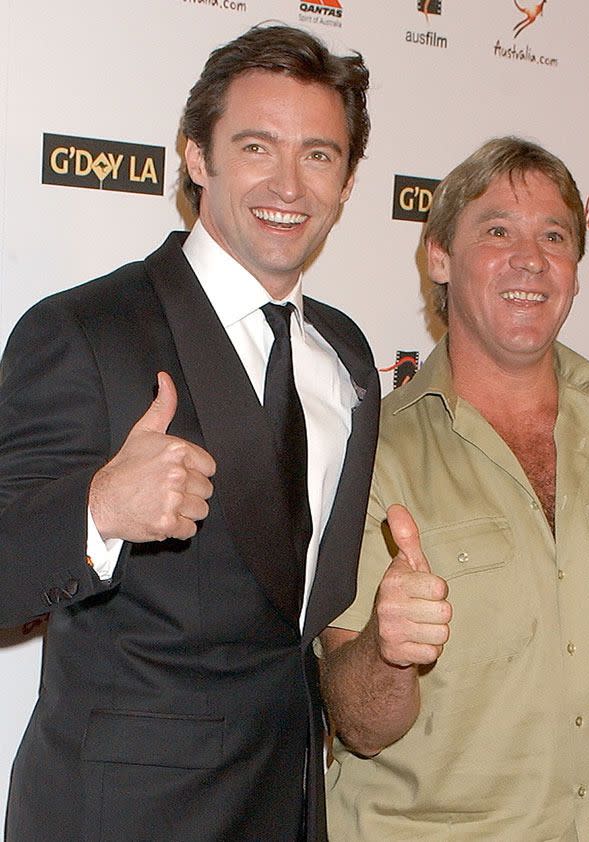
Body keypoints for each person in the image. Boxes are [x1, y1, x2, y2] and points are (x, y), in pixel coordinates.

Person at [0, 24, 379, 842]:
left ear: (347, 183)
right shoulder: (86, 329)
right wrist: (97, 508)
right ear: (197, 158)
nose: (289, 183)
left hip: (288, 804)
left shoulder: (344, 354)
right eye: (256, 146)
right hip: (125, 817)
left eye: (319, 154)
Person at [320, 137, 589, 841]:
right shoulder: (370, 455)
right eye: (497, 230)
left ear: (576, 272)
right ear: (439, 256)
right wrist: (386, 645)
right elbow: (361, 726)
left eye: (554, 235)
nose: (530, 257)